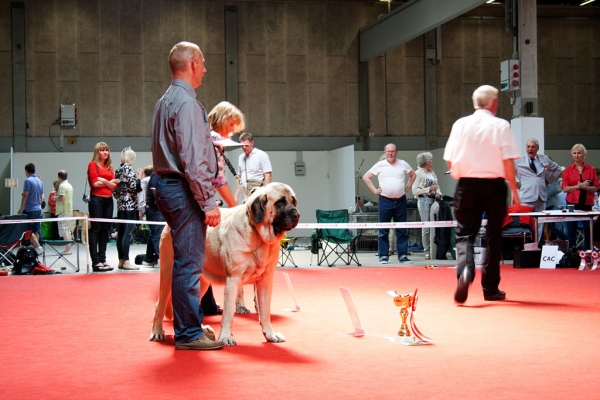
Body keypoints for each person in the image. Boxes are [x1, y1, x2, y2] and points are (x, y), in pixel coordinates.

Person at [151, 41, 224, 350]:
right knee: (190, 265)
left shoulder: (165, 101)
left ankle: (189, 324)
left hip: (166, 186)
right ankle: (189, 333)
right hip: (183, 191)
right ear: (192, 63)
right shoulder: (188, 104)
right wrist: (209, 202)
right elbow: (193, 160)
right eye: (203, 63)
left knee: (185, 262)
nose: (205, 69)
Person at [443, 85, 520, 303]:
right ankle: (491, 289)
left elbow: (449, 159)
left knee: (465, 233)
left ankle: (465, 271)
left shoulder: (460, 124)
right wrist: (515, 193)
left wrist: (461, 173)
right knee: (494, 237)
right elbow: (507, 162)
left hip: (466, 184)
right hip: (494, 186)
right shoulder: (501, 125)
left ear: (475, 102)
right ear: (494, 103)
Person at [362, 143, 416, 264]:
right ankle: (383, 256)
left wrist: (407, 187)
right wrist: (375, 190)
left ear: (396, 152)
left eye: (392, 151)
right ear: (385, 152)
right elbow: (366, 177)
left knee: (402, 230)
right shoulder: (380, 165)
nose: (390, 153)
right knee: (383, 230)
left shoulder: (403, 163)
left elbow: (413, 175)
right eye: (388, 151)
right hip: (385, 200)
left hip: (401, 200)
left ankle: (402, 255)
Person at [88, 142, 119, 272]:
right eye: (102, 150)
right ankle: (96, 261)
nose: (105, 153)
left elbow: (115, 186)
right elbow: (95, 183)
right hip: (96, 200)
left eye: (106, 150)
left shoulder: (110, 168)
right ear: (97, 152)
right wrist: (109, 182)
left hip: (108, 201)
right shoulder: (92, 164)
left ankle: (103, 258)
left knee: (105, 230)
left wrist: (105, 181)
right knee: (96, 229)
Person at [208, 101, 246, 207]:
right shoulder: (215, 138)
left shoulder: (205, 135)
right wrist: (234, 206)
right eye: (231, 124)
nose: (232, 129)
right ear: (222, 119)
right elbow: (219, 179)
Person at [561, 143, 599, 251]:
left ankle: (587, 254)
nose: (576, 155)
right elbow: (564, 188)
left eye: (579, 153)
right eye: (574, 153)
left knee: (588, 230)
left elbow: (596, 187)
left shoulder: (591, 169)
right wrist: (579, 186)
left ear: (584, 155)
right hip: (572, 203)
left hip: (587, 203)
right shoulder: (568, 170)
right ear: (572, 155)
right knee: (571, 230)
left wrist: (586, 188)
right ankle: (571, 253)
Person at [113, 147, 141, 271]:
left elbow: (115, 189)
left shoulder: (118, 170)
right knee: (127, 233)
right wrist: (139, 177)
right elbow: (135, 187)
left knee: (121, 234)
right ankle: (127, 261)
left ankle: (121, 260)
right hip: (129, 205)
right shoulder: (129, 169)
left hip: (120, 204)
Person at [412, 152, 442, 260]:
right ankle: (427, 250)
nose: (432, 162)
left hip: (434, 201)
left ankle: (435, 248)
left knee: (435, 226)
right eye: (430, 160)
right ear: (426, 161)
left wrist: (438, 193)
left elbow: (436, 186)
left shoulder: (432, 173)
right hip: (423, 200)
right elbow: (415, 190)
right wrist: (429, 189)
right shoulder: (418, 174)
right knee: (426, 227)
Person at [234, 132, 272, 203]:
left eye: (246, 145)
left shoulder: (261, 155)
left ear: (252, 143)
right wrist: (236, 196)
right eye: (242, 145)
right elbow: (239, 178)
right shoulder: (241, 157)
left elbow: (268, 175)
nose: (244, 147)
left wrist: (265, 194)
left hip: (258, 193)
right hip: (245, 196)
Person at [17, 163, 44, 255]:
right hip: (38, 209)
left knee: (28, 230)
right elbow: (41, 197)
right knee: (36, 230)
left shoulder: (27, 181)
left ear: (26, 171)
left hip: (30, 209)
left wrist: (21, 208)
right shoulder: (40, 181)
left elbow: (25, 195)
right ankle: (36, 248)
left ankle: (38, 247)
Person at [141, 171, 163, 267]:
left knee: (155, 234)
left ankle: (148, 259)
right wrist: (160, 202)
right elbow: (153, 189)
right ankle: (160, 259)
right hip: (154, 209)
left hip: (156, 209)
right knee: (158, 234)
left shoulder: (158, 173)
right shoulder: (157, 173)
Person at [56, 170, 75, 254]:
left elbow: (62, 198)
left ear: (59, 177)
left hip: (63, 211)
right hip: (69, 210)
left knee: (64, 231)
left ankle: (67, 249)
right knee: (68, 230)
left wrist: (55, 198)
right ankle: (68, 249)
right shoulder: (70, 185)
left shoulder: (62, 186)